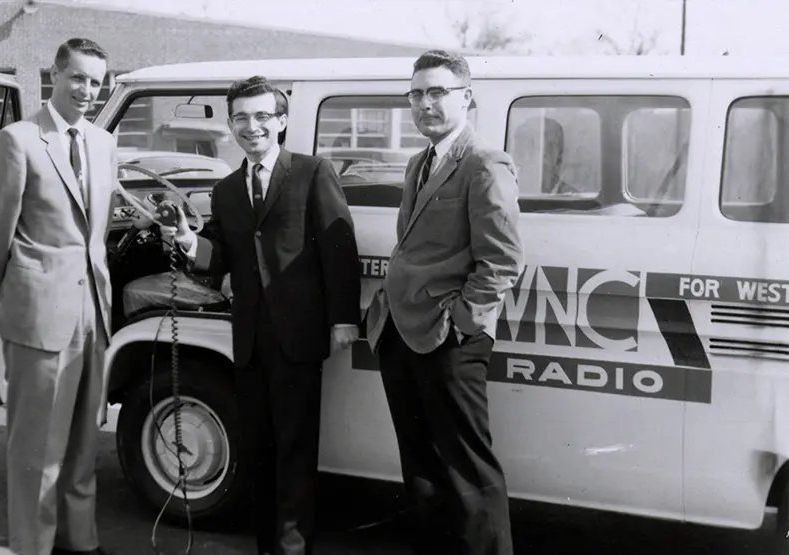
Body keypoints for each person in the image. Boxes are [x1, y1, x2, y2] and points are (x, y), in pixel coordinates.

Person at [159, 76, 362, 555]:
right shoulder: (227, 188)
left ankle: (292, 549)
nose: (252, 127)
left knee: (294, 450)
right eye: (241, 118)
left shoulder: (313, 172)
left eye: (262, 116)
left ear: (282, 121)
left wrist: (343, 320)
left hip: (299, 336)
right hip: (249, 339)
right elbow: (223, 254)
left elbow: (339, 249)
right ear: (230, 125)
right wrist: (189, 241)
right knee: (259, 450)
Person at [363, 50, 525, 555]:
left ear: (466, 98)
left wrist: (462, 321)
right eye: (416, 93)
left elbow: (501, 260)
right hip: (403, 333)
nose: (425, 103)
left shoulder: (484, 163)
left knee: (469, 470)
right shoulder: (420, 161)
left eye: (437, 92)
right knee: (421, 467)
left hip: (447, 339)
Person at [0, 37, 122, 555]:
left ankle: (81, 542)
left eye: (96, 82)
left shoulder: (103, 143)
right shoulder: (17, 140)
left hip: (93, 316)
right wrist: (27, 292)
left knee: (85, 443)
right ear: (54, 76)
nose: (86, 90)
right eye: (77, 78)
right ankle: (33, 546)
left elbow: (96, 234)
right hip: (39, 316)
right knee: (37, 451)